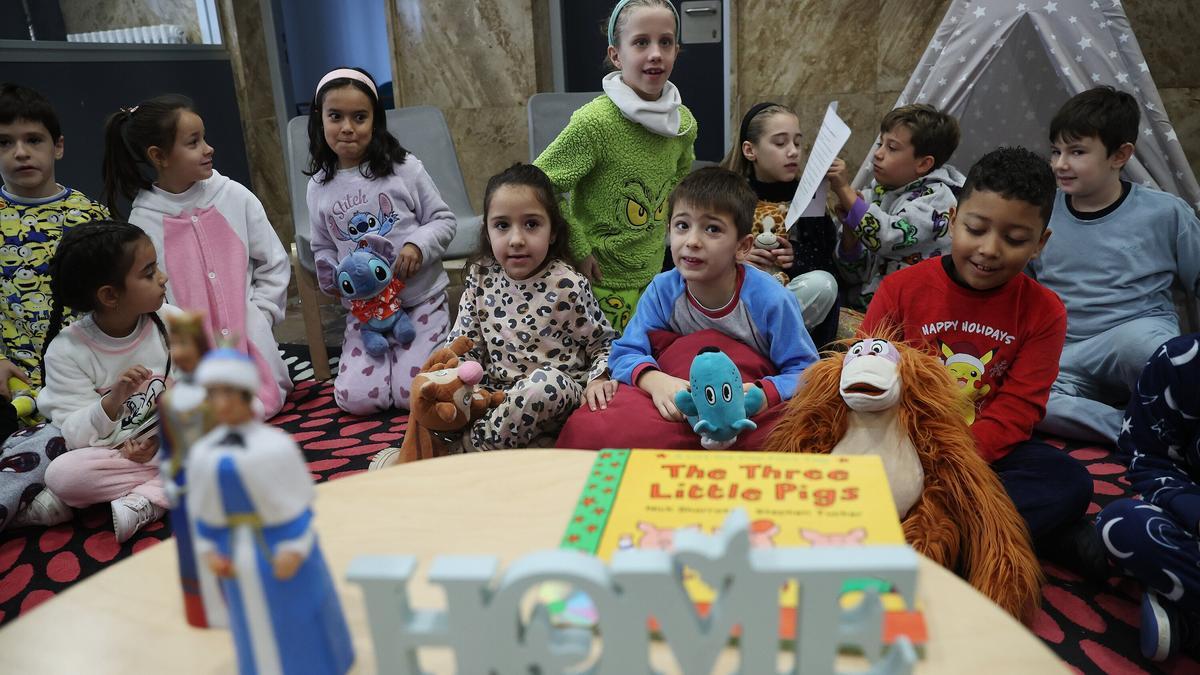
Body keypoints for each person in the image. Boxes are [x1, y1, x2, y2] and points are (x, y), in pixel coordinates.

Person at [862, 146, 1103, 579]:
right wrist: (912, 457)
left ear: (1039, 244)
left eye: (1014, 239)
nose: (989, 250)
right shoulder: (901, 289)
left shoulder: (1045, 311)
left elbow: (1020, 409)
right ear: (953, 219)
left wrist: (953, 461)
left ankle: (934, 539)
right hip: (896, 444)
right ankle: (992, 539)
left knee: (1068, 482)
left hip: (983, 456)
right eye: (976, 229)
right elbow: (864, 374)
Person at [556, 167, 817, 449]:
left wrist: (762, 394)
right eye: (682, 226)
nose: (692, 241)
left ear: (742, 246)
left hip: (742, 398)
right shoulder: (662, 290)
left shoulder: (772, 300)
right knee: (592, 427)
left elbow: (806, 369)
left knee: (795, 434)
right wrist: (655, 381)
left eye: (712, 229)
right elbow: (626, 351)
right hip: (676, 390)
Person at [102, 94, 291, 418]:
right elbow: (148, 301)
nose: (208, 148)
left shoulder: (233, 196)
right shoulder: (145, 223)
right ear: (159, 156)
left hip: (253, 352)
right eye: (193, 143)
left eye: (204, 138)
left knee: (262, 407)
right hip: (193, 365)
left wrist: (260, 315)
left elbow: (273, 261)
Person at [1031, 86, 1200, 444]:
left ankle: (1163, 413)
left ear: (1120, 155)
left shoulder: (1165, 212)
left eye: (1077, 152)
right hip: (1067, 350)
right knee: (1031, 402)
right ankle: (1138, 429)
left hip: (1134, 334)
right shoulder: (1042, 212)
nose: (1061, 164)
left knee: (1147, 350)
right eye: (1056, 151)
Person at [533, 0, 697, 332]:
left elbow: (680, 179)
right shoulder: (594, 123)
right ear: (616, 55)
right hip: (598, 275)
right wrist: (577, 247)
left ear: (676, 51)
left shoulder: (683, 123)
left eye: (665, 42)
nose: (655, 53)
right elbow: (539, 183)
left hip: (655, 273)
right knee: (610, 364)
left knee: (651, 351)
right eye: (641, 42)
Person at [190, 346, 354, 674]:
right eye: (213, 395)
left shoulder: (276, 447)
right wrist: (209, 549)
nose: (221, 403)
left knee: (299, 612)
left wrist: (296, 546)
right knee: (250, 619)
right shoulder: (203, 454)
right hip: (235, 553)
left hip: (280, 546)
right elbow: (205, 512)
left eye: (229, 393)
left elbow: (299, 504)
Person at [306, 67, 456, 414]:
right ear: (320, 119)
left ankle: (417, 354)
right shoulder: (318, 186)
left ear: (376, 120)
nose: (347, 127)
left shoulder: (404, 169)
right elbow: (323, 246)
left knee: (413, 395)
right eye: (336, 116)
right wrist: (331, 276)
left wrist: (416, 245)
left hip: (419, 301)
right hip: (365, 314)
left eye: (359, 117)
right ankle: (381, 363)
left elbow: (443, 221)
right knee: (357, 400)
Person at [445, 163, 616, 452]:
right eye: (502, 225)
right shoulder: (480, 276)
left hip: (555, 397)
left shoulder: (567, 284)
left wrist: (599, 377)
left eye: (532, 224)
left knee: (544, 385)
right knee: (437, 379)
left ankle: (470, 448)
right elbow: (463, 343)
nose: (516, 239)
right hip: (493, 399)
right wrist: (454, 380)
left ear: (551, 232)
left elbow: (604, 344)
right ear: (487, 232)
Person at [34, 222, 179, 542]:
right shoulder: (66, 351)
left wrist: (158, 440)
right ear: (110, 295)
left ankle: (149, 498)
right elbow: (75, 435)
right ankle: (166, 486)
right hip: (116, 453)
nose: (163, 277)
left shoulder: (175, 321)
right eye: (149, 272)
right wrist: (111, 403)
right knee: (63, 475)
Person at [1096, 334, 1200, 662]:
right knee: (1122, 524)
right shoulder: (1180, 359)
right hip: (1191, 523)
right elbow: (1148, 459)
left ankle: (1188, 624)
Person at [0, 82, 109, 394]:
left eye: (33, 140)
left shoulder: (91, 215)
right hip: (21, 386)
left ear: (57, 146)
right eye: (5, 143)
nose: (20, 153)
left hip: (97, 380)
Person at [722, 101, 842, 345]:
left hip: (783, 305)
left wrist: (795, 258)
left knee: (823, 283)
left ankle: (764, 348)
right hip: (734, 300)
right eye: (780, 143)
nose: (793, 151)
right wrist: (734, 258)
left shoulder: (809, 197)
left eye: (797, 143)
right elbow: (690, 251)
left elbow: (827, 263)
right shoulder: (725, 194)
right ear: (750, 150)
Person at [832, 103, 964, 309]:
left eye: (892, 148)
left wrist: (843, 189)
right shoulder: (876, 191)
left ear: (923, 164)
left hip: (912, 316)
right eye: (880, 144)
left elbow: (886, 236)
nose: (878, 154)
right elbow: (852, 273)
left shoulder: (938, 199)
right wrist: (850, 229)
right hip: (869, 308)